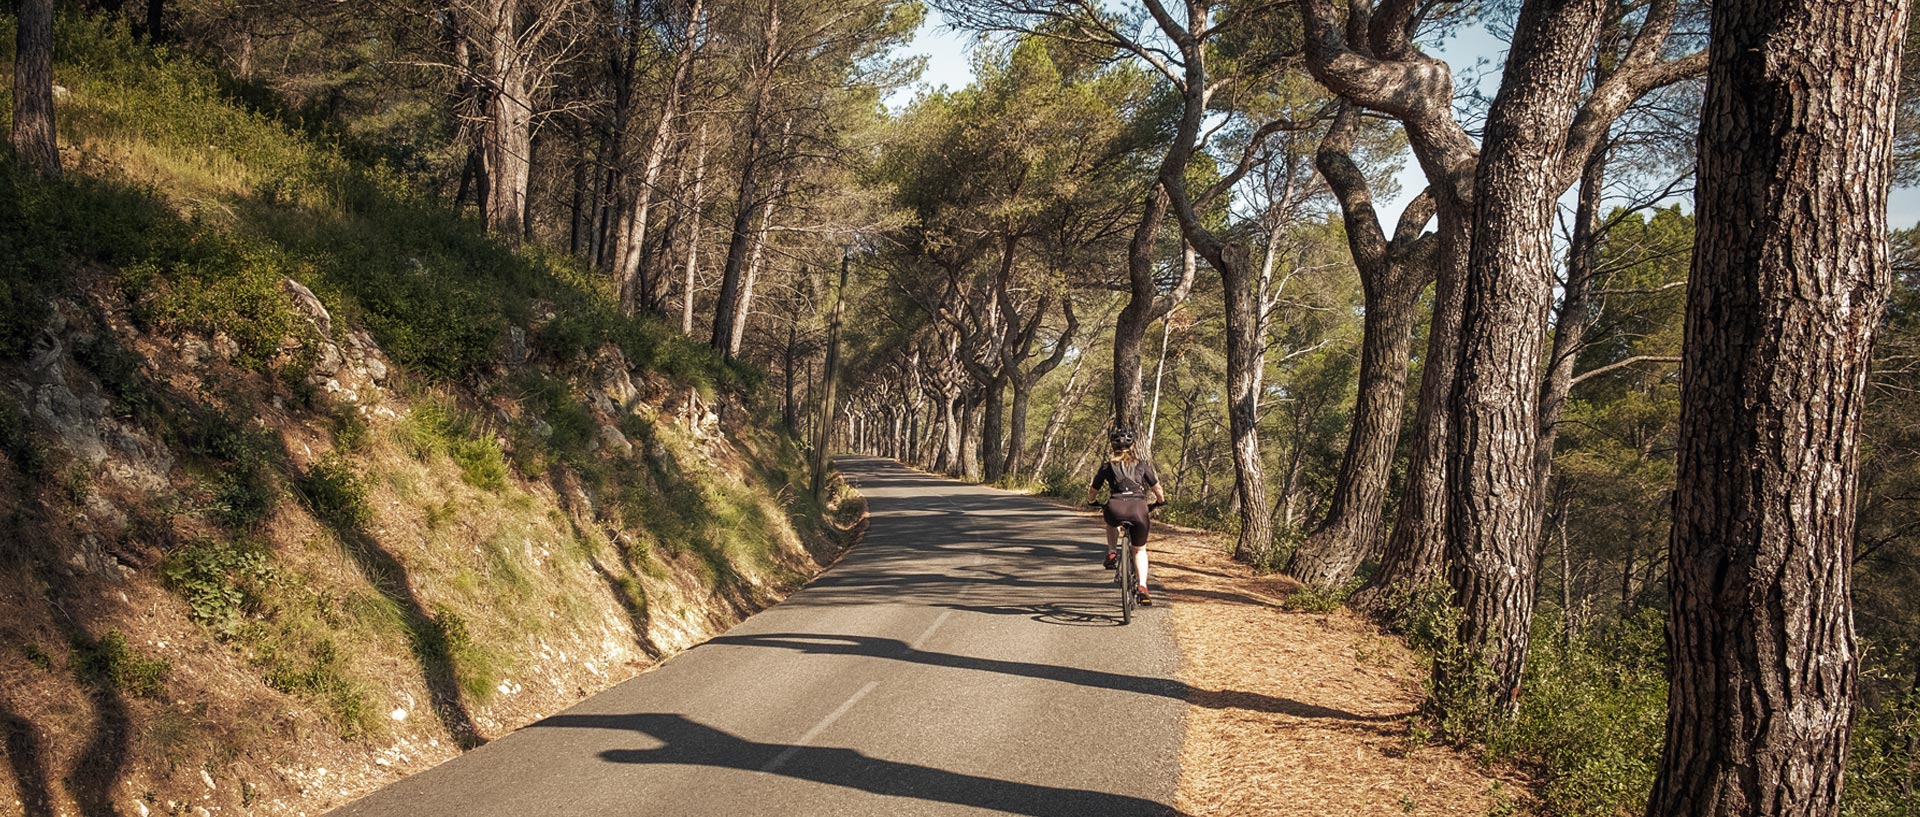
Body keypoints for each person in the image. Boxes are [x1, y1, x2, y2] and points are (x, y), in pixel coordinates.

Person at [1086, 426, 1165, 605]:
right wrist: (1160, 501)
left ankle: (1112, 552)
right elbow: (1157, 489)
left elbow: (1093, 490)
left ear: (1112, 447)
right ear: (1133, 446)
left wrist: (1091, 502)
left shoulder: (1107, 467)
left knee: (1110, 519)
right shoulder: (1142, 465)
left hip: (1116, 507)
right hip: (1139, 508)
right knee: (1140, 550)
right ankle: (1143, 586)